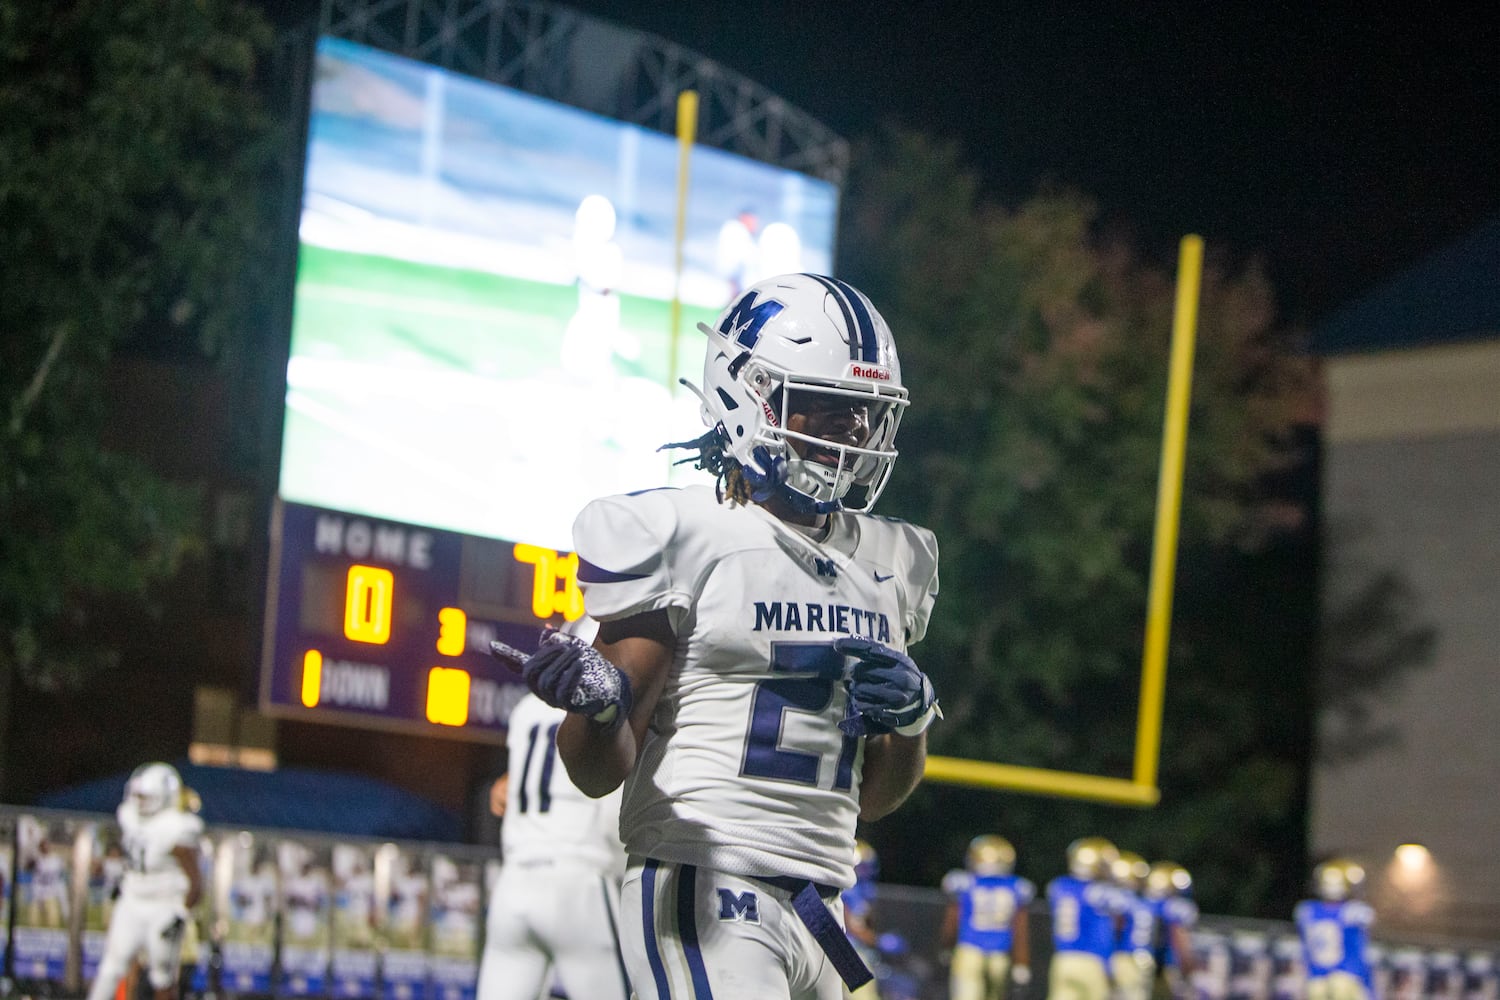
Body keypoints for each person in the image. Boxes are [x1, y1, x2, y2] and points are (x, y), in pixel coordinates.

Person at [492, 273, 941, 999]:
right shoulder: (691, 537)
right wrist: (601, 706)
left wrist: (913, 726)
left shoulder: (889, 564)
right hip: (705, 884)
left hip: (822, 902)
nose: (851, 433)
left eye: (863, 414)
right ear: (749, 395)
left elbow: (876, 799)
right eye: (825, 406)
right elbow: (595, 771)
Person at [476, 680, 631, 1000]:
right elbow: (612, 818)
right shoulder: (604, 706)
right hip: (578, 880)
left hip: (515, 882)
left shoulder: (526, 709)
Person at [85, 762, 204, 1000]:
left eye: (146, 796)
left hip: (163, 904)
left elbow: (196, 882)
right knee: (110, 968)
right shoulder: (129, 816)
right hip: (132, 898)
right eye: (138, 795)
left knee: (162, 976)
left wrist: (180, 914)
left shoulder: (176, 827)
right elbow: (134, 859)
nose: (140, 802)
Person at [941, 835, 1035, 1000]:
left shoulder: (965, 882)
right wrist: (1021, 962)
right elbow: (1020, 929)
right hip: (999, 956)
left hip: (969, 951)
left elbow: (953, 920)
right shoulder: (1017, 886)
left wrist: (947, 947)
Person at [1046, 837, 1125, 1000]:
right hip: (1091, 960)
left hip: (1063, 959)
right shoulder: (1101, 892)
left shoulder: (1059, 885)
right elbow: (1118, 923)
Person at [1294, 858, 1374, 1000]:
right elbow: (1368, 918)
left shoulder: (1307, 910)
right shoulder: (1352, 911)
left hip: (1316, 978)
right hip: (1345, 976)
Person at [1143, 861, 1198, 1000]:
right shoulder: (1176, 908)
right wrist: (1188, 965)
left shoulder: (1141, 904)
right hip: (1167, 966)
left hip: (1141, 963)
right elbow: (1180, 938)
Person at [1107, 851, 1153, 1000]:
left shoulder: (1119, 899)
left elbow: (1115, 928)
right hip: (1143, 958)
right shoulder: (1145, 903)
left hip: (1124, 958)